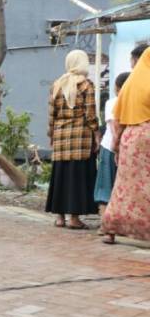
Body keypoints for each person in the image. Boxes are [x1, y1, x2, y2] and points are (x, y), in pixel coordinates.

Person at [45, 50, 99, 229]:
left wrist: (51, 135)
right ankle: (74, 219)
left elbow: (51, 115)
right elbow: (90, 115)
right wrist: (97, 135)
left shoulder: (57, 84)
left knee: (60, 175)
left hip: (61, 138)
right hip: (80, 138)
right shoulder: (86, 85)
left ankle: (60, 218)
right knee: (77, 176)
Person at [103, 45, 150, 242]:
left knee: (123, 187)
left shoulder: (130, 83)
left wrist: (115, 147)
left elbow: (117, 118)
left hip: (129, 137)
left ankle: (111, 229)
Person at [97, 71, 130, 244]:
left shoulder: (112, 103)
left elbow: (114, 127)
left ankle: (106, 226)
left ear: (117, 88)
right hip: (126, 150)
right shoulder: (133, 103)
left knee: (105, 187)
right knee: (121, 190)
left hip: (110, 148)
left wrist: (116, 148)